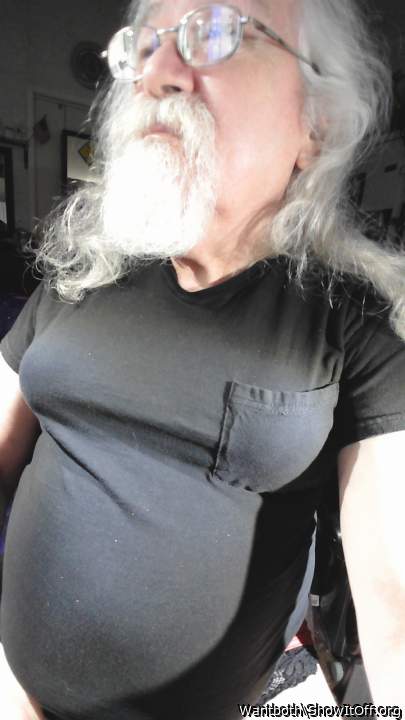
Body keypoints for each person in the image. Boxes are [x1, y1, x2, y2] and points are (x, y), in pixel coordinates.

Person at [0, 0, 404, 718]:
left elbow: (395, 601)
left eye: (216, 32)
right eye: (142, 46)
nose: (156, 72)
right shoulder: (81, 273)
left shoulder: (357, 321)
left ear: (315, 125)